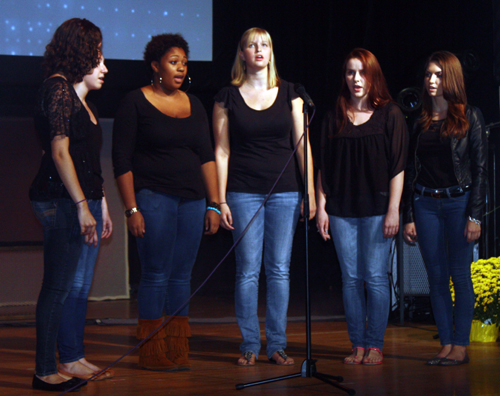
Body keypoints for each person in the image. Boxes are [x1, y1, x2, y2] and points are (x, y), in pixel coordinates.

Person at [112, 33, 219, 371]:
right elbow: (121, 160)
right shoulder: (134, 101)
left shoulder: (195, 104)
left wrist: (215, 203)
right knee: (156, 273)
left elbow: (207, 156)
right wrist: (132, 209)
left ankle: (176, 347)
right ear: (155, 66)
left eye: (184, 63)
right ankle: (152, 350)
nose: (181, 69)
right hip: (153, 197)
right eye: (174, 62)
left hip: (192, 200)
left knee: (181, 275)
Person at [213, 27, 316, 366]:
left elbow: (303, 147)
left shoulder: (291, 93)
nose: (259, 50)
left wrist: (310, 192)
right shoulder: (226, 96)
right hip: (242, 192)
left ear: (271, 52)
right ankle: (249, 344)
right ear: (242, 54)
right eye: (252, 45)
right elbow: (222, 150)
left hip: (285, 191)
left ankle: (277, 344)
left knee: (279, 269)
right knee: (247, 271)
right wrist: (221, 199)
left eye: (265, 45)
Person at [29, 18, 112, 392]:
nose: (104, 64)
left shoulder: (73, 95)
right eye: (98, 53)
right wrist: (81, 205)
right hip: (60, 201)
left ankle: (69, 358)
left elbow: (85, 161)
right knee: (57, 288)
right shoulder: (58, 89)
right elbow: (59, 152)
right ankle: (45, 370)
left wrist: (100, 204)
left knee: (72, 287)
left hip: (77, 200)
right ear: (80, 49)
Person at [316, 48, 408, 365]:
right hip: (341, 210)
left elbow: (398, 167)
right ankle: (357, 344)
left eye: (362, 72)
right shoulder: (335, 115)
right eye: (350, 72)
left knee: (376, 278)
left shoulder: (390, 114)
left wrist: (395, 209)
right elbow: (323, 167)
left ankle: (375, 344)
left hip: (378, 209)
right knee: (351, 279)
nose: (356, 79)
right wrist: (322, 207)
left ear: (373, 76)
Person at [402, 51, 487, 366]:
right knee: (435, 278)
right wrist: (408, 215)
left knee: (459, 276)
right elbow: (411, 172)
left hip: (458, 203)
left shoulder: (470, 116)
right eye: (427, 75)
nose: (431, 80)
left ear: (450, 77)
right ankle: (446, 343)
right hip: (425, 203)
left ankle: (461, 345)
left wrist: (475, 215)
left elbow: (480, 171)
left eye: (438, 74)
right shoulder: (420, 119)